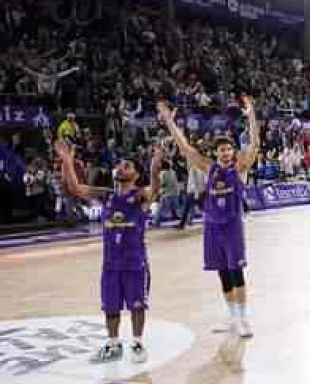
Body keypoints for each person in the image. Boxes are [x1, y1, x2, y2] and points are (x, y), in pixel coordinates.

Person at [158, 97, 260, 338]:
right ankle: (232, 316)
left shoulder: (239, 168)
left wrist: (251, 115)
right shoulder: (208, 168)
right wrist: (170, 123)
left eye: (229, 149)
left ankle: (243, 318)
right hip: (212, 228)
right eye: (222, 150)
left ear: (233, 152)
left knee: (236, 273)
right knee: (222, 274)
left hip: (232, 227)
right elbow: (185, 149)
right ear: (216, 153)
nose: (226, 152)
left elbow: (255, 144)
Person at [56, 140, 162, 363]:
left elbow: (154, 189)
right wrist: (66, 161)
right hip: (111, 264)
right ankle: (113, 344)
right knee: (110, 306)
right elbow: (75, 188)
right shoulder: (106, 195)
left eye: (127, 166)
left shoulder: (140, 196)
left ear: (135, 174)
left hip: (135, 262)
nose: (121, 167)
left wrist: (155, 165)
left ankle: (137, 343)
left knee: (137, 305)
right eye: (120, 165)